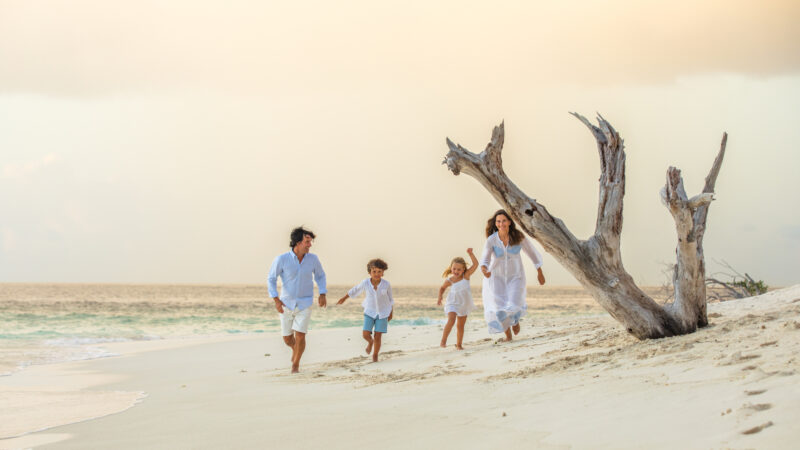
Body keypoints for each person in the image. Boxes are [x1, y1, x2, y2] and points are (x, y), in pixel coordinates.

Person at [267, 226, 327, 373]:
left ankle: (295, 364)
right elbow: (271, 279)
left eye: (310, 241)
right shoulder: (282, 259)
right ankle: (296, 351)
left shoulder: (313, 259)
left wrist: (322, 293)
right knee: (287, 338)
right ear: (297, 242)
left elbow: (320, 276)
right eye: (307, 241)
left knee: (300, 335)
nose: (310, 244)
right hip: (286, 303)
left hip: (305, 303)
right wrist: (276, 300)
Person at [479, 209, 545, 341]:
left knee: (514, 303)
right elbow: (485, 259)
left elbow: (532, 253)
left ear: (509, 222)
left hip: (516, 277)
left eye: (504, 221)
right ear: (495, 223)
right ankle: (508, 336)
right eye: (498, 221)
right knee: (499, 310)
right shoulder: (491, 240)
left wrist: (539, 271)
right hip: (496, 278)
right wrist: (484, 269)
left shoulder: (518, 236)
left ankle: (515, 320)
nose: (501, 223)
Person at [337, 258, 393, 362]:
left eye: (379, 271)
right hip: (369, 312)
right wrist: (344, 298)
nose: (376, 274)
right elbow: (356, 289)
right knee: (365, 334)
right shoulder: (365, 283)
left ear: (383, 272)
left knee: (378, 336)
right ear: (369, 272)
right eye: (374, 271)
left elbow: (390, 300)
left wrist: (391, 313)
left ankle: (375, 355)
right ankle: (370, 342)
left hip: (383, 313)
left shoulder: (386, 284)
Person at [437, 248, 478, 350]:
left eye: (459, 269)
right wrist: (440, 297)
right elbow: (442, 288)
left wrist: (471, 254)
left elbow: (476, 264)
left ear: (464, 269)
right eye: (454, 269)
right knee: (451, 319)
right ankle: (443, 340)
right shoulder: (450, 280)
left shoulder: (466, 276)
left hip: (463, 304)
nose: (456, 271)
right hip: (452, 303)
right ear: (451, 268)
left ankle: (459, 345)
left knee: (460, 326)